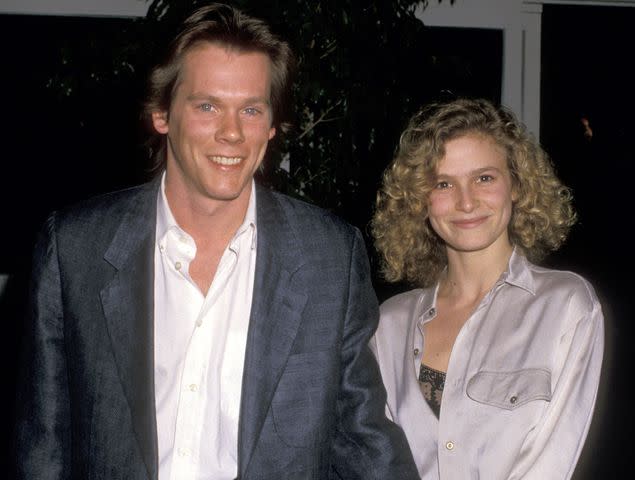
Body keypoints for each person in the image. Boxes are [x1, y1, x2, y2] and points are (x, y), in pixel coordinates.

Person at [14, 4, 420, 479]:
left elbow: (364, 440)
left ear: (271, 126)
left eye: (251, 109)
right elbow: (43, 448)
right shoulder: (75, 248)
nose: (232, 133)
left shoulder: (328, 256)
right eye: (207, 106)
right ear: (161, 114)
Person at [370, 98, 604, 479]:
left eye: (484, 178)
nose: (466, 202)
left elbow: (550, 463)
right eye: (443, 183)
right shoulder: (387, 326)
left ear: (516, 185)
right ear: (420, 199)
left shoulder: (565, 307)